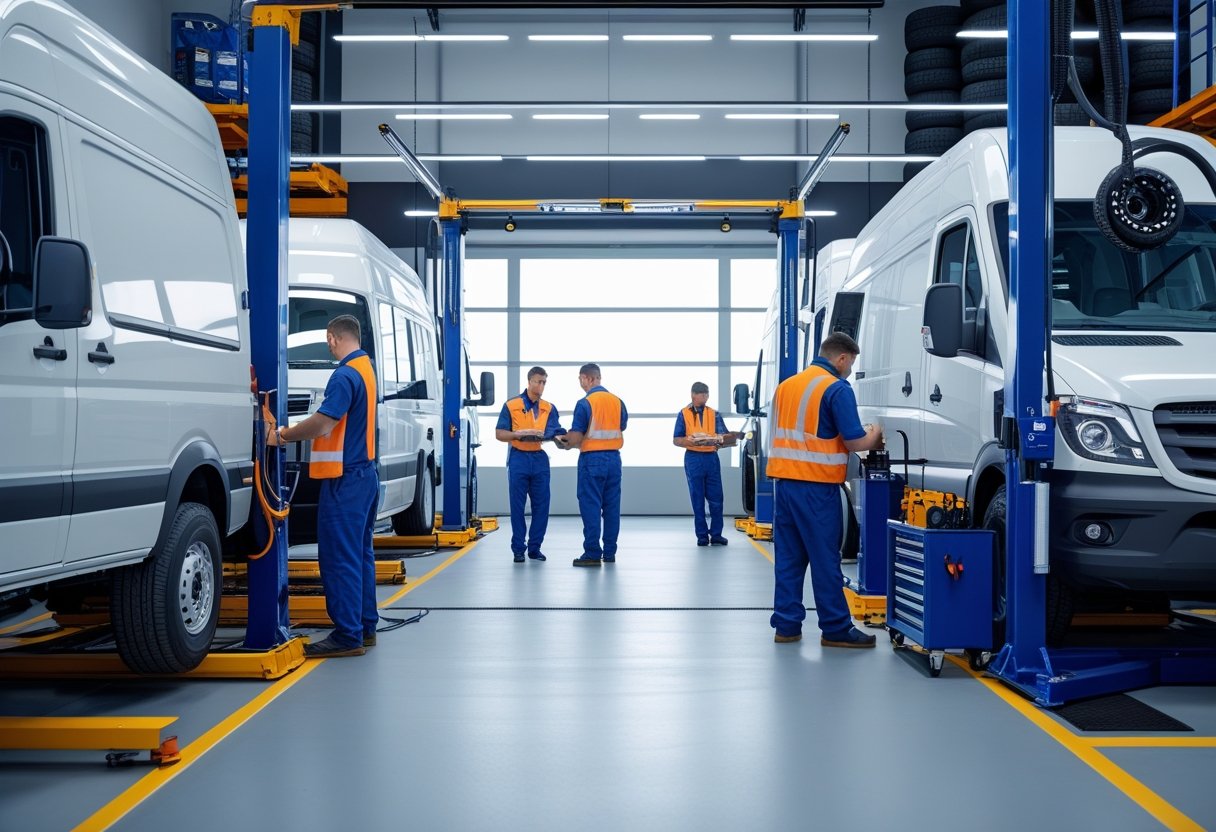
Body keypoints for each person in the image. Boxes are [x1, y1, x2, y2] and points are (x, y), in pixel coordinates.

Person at [268, 314, 378, 658]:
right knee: (360, 555)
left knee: (339, 558)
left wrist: (281, 435)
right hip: (365, 476)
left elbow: (322, 424)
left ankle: (348, 636)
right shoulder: (367, 369)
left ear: (332, 338)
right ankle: (365, 625)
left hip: (344, 480)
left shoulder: (344, 374)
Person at [767, 332, 883, 648]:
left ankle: (787, 626)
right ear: (841, 358)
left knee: (789, 560)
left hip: (785, 485)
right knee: (825, 560)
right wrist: (875, 434)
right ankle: (835, 628)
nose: (849, 369)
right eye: (850, 363)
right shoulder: (836, 388)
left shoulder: (785, 387)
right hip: (817, 488)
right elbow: (856, 442)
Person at [554, 363, 627, 567]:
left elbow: (576, 436)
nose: (580, 383)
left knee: (591, 505)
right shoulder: (617, 402)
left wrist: (564, 442)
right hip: (614, 459)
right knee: (612, 507)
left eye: (580, 379)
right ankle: (610, 553)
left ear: (587, 378)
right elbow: (621, 426)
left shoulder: (585, 403)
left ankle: (593, 552)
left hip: (592, 460)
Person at [495, 366, 567, 563]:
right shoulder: (511, 405)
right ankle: (518, 549)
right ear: (529, 382)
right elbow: (499, 433)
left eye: (544, 382)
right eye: (538, 381)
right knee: (517, 507)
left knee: (542, 506)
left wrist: (561, 438)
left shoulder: (549, 407)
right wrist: (517, 435)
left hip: (539, 459)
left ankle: (535, 548)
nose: (541, 385)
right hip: (518, 457)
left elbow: (555, 430)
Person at [672, 381, 736, 546]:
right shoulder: (683, 414)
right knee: (697, 499)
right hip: (693, 459)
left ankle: (716, 535)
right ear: (693, 394)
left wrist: (719, 440)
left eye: (707, 394)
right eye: (702, 394)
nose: (706, 397)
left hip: (711, 459)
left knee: (716, 499)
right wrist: (690, 441)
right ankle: (701, 536)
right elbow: (676, 440)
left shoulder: (713, 414)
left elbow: (726, 437)